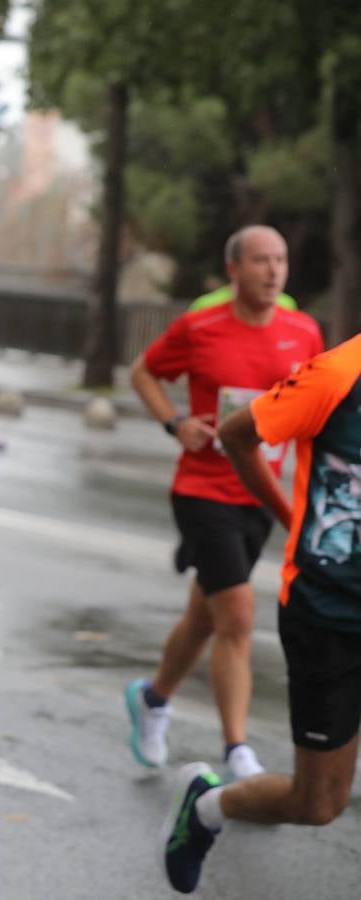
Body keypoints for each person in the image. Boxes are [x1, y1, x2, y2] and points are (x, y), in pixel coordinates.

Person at [160, 335, 361, 894]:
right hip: (332, 615)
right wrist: (288, 513)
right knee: (317, 803)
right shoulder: (339, 374)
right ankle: (207, 807)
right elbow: (236, 434)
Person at [124, 226, 324, 782]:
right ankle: (237, 749)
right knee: (236, 613)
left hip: (260, 493)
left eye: (280, 259)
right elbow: (144, 372)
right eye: (260, 260)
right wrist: (175, 422)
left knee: (202, 617)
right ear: (233, 269)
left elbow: (314, 410)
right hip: (202, 489)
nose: (273, 270)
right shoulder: (201, 327)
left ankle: (152, 699)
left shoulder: (303, 331)